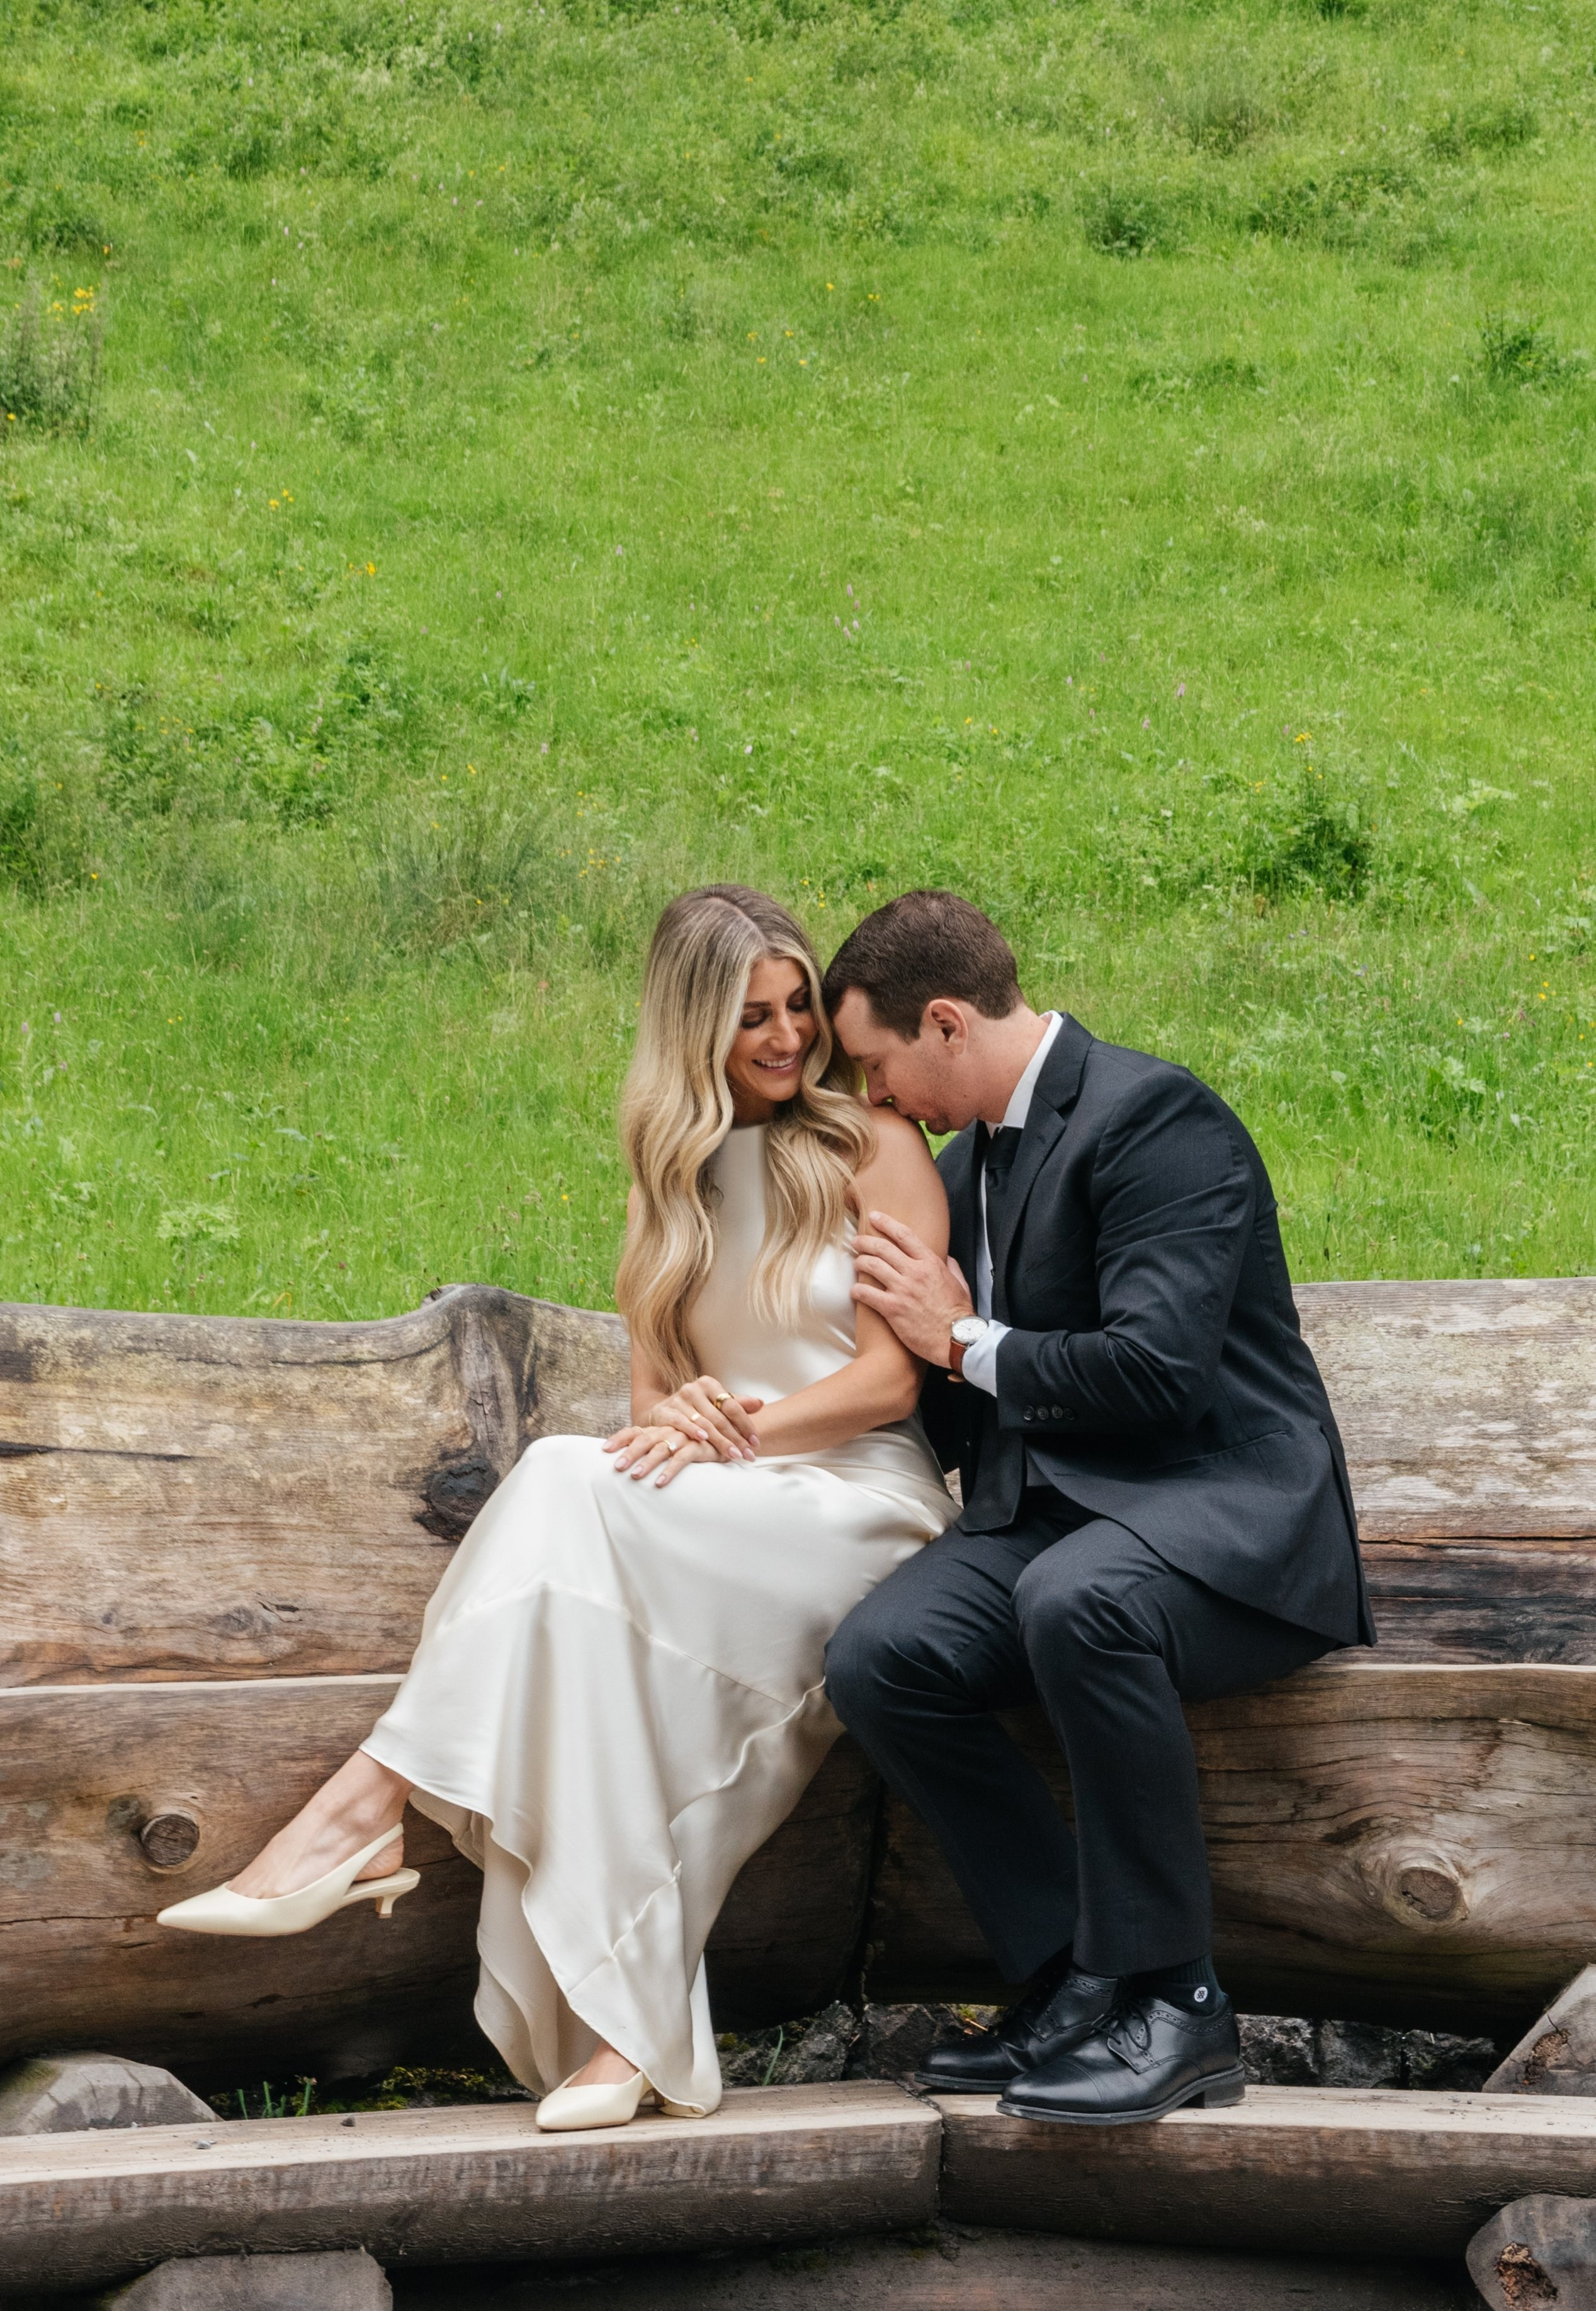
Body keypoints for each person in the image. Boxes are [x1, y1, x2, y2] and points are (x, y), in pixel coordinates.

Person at [159, 886, 954, 2131]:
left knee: (557, 1481)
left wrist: (730, 1429)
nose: (791, 1037)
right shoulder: (667, 1177)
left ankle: (363, 1815)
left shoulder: (872, 1148)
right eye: (755, 1016)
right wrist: (688, 1426)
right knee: (583, 1652)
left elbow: (890, 1378)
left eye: (800, 1006)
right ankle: (614, 2037)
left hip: (856, 1505)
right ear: (693, 1026)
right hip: (716, 1503)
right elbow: (650, 1399)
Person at [822, 890, 1372, 2128]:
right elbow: (929, 1374)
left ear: (947, 1024)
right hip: (1051, 1521)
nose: (874, 1097)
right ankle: (1070, 1976)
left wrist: (960, 1337)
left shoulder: (1154, 1119)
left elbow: (1156, 1372)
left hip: (1224, 1526)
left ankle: (1178, 2006)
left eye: (876, 1062)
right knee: (879, 1655)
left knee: (1081, 1601)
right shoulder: (959, 1167)